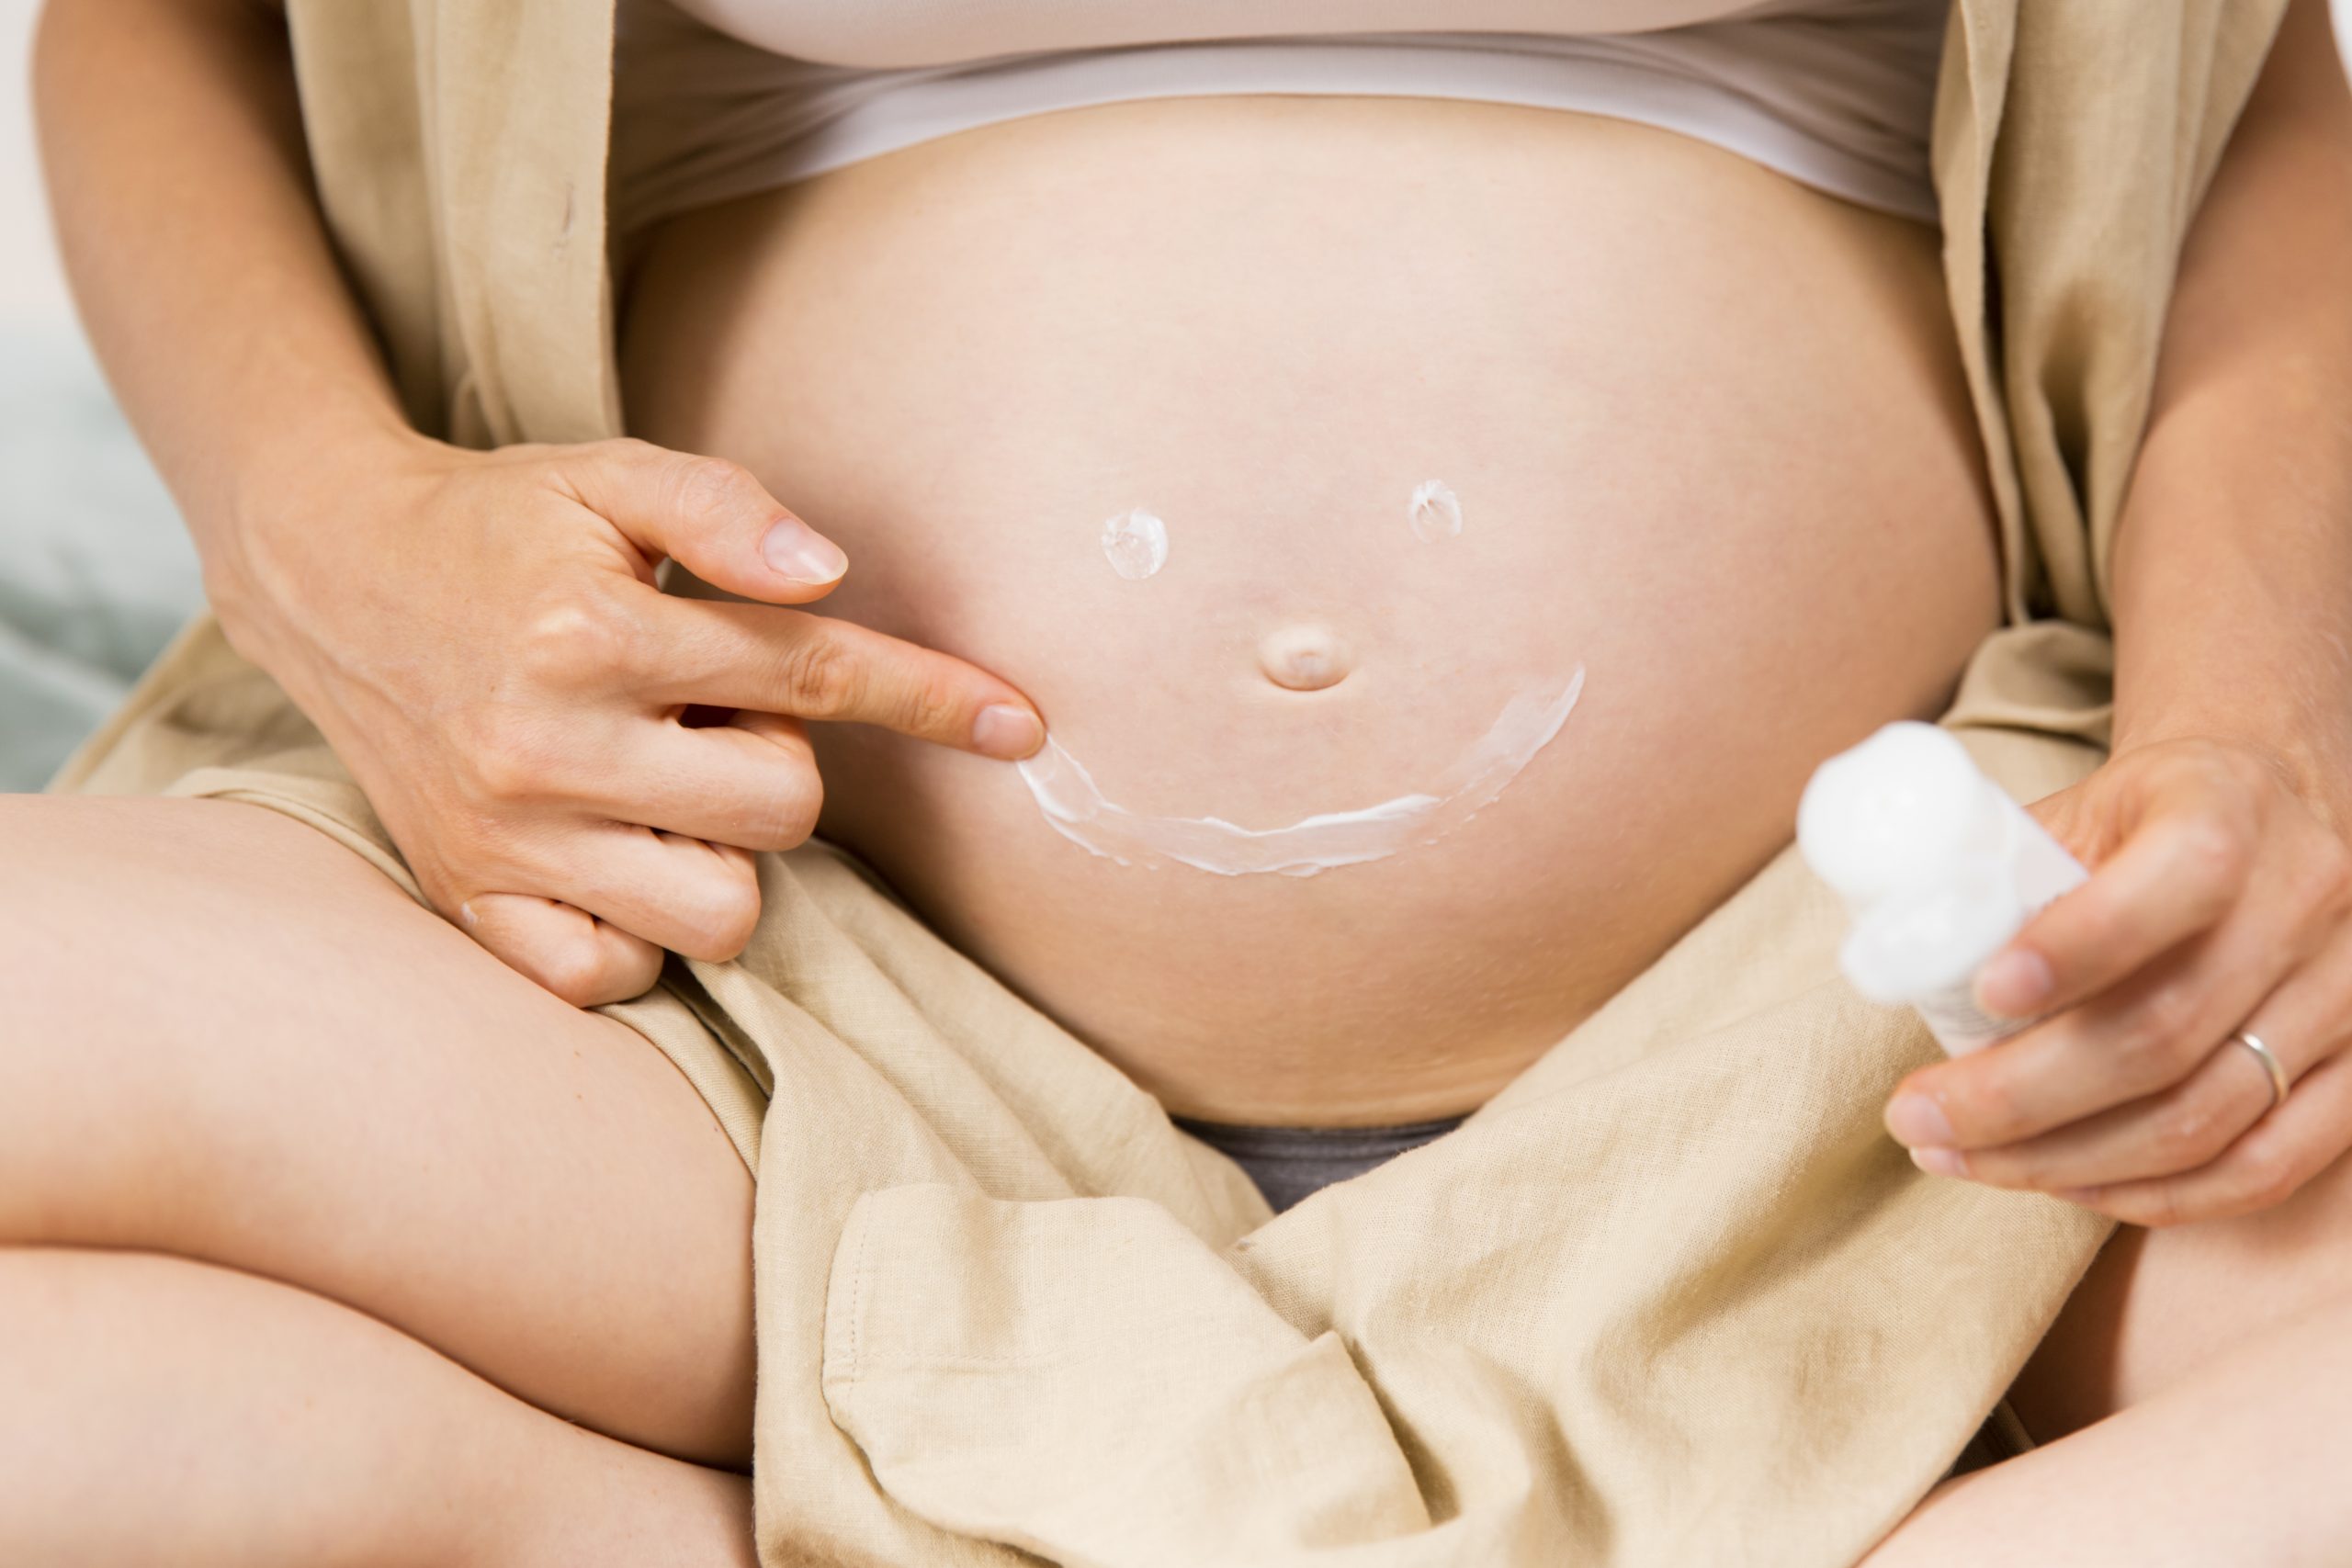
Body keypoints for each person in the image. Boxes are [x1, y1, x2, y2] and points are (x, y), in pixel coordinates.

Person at [8, 0, 2352, 1562]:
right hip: (713, 980)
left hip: (1869, 1076)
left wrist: (2244, 727)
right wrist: (330, 534)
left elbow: (2237, 87)